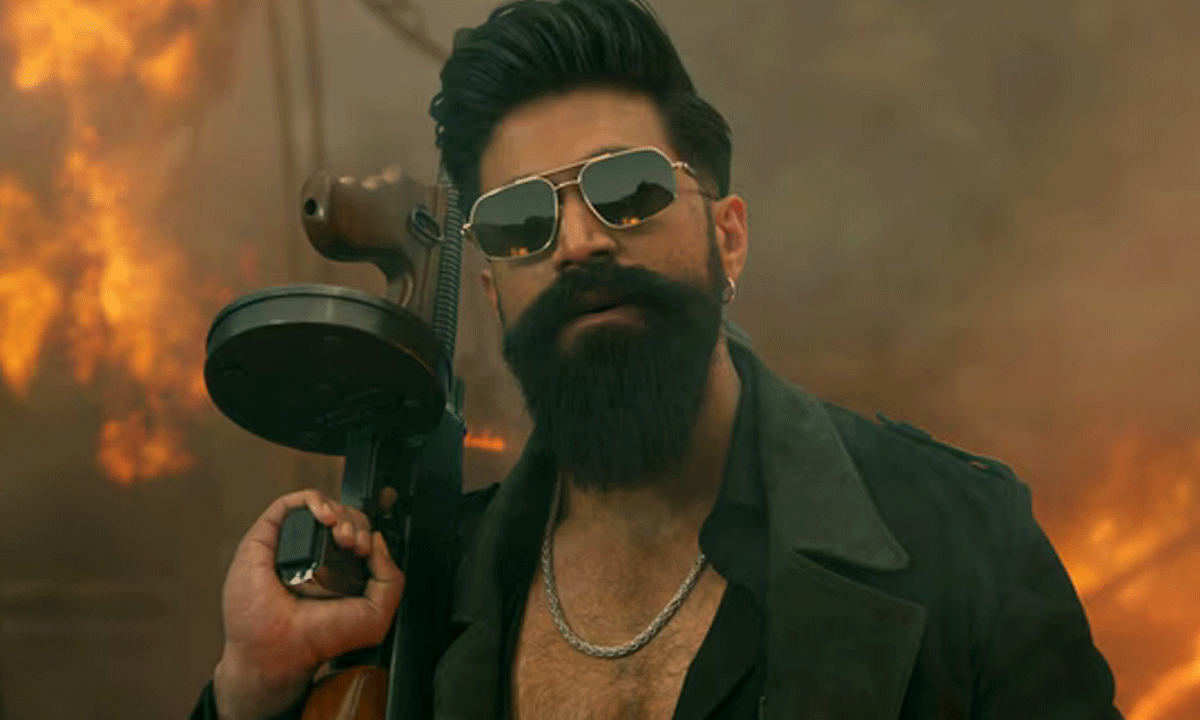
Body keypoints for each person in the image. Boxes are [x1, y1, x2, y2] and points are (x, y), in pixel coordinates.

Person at [190, 1, 1123, 718]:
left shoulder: (962, 542)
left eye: (627, 188)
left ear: (729, 237)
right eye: (521, 219)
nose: (579, 242)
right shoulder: (420, 592)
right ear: (493, 292)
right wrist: (249, 689)